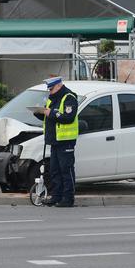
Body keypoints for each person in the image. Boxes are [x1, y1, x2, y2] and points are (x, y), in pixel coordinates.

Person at [35, 76, 78, 207]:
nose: (50, 91)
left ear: (59, 86)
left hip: (66, 141)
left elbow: (68, 117)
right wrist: (38, 112)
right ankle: (56, 196)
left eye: (52, 88)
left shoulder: (69, 97)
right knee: (54, 171)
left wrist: (50, 113)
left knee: (66, 170)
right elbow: (49, 116)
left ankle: (68, 199)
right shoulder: (52, 98)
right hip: (54, 141)